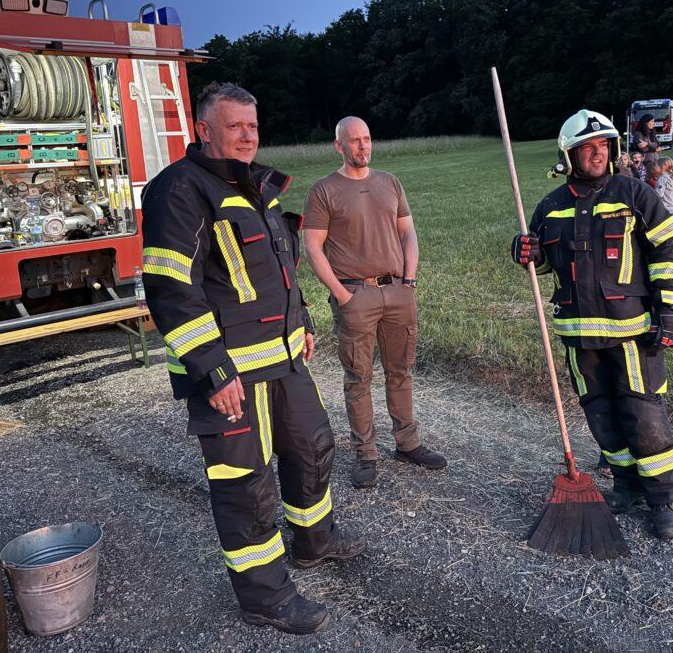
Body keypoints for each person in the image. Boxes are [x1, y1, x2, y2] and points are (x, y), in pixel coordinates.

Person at [141, 83, 363, 635]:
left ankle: (314, 541)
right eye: (234, 126)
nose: (247, 136)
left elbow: (279, 267)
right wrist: (213, 370)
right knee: (247, 485)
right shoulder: (180, 190)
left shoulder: (256, 186)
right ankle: (264, 597)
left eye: (253, 126)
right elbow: (171, 290)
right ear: (204, 130)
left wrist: (303, 320)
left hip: (283, 359)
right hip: (229, 374)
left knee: (313, 447)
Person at [511, 110, 673, 539]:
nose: (597, 154)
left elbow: (666, 252)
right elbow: (543, 263)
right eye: (587, 148)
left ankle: (663, 496)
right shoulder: (549, 208)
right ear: (568, 155)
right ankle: (626, 485)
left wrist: (668, 312)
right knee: (601, 416)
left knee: (643, 414)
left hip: (632, 333)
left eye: (603, 146)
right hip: (577, 335)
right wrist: (527, 252)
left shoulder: (635, 194)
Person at [303, 116, 446, 489]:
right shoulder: (324, 190)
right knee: (359, 378)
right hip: (355, 295)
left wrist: (409, 281)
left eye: (366, 139)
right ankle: (366, 454)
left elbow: (408, 232)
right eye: (354, 141)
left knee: (401, 371)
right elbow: (312, 248)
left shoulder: (389, 182)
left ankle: (407, 444)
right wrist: (342, 294)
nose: (362, 146)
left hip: (397, 291)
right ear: (339, 146)